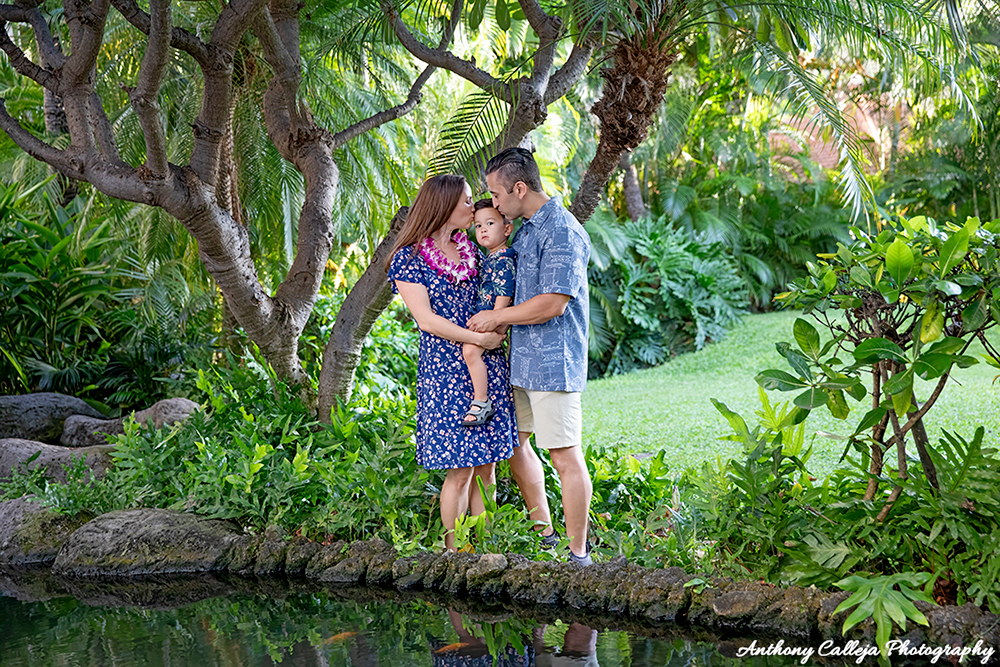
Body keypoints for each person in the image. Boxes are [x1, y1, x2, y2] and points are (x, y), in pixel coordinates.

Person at [467, 147, 594, 566]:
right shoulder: (525, 231)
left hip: (552, 363)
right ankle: (543, 533)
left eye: (497, 196)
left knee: (564, 455)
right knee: (514, 446)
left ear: (519, 188)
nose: (494, 206)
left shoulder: (561, 230)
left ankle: (578, 553)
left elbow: (553, 303)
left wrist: (495, 317)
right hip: (522, 362)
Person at [386, 174, 517, 551]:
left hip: (485, 364)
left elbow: (495, 293)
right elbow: (426, 320)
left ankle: (487, 548)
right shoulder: (409, 258)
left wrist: (499, 323)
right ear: (443, 206)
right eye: (465, 201)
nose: (472, 207)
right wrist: (479, 338)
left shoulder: (474, 251)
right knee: (460, 469)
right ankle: (454, 552)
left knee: (487, 466)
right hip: (445, 369)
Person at [460, 199, 516, 427]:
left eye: (490, 223)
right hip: (486, 316)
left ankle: (481, 400)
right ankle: (481, 398)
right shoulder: (490, 257)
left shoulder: (503, 258)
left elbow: (505, 290)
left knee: (470, 351)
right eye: (478, 225)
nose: (482, 229)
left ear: (507, 228)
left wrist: (497, 319)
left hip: (491, 317)